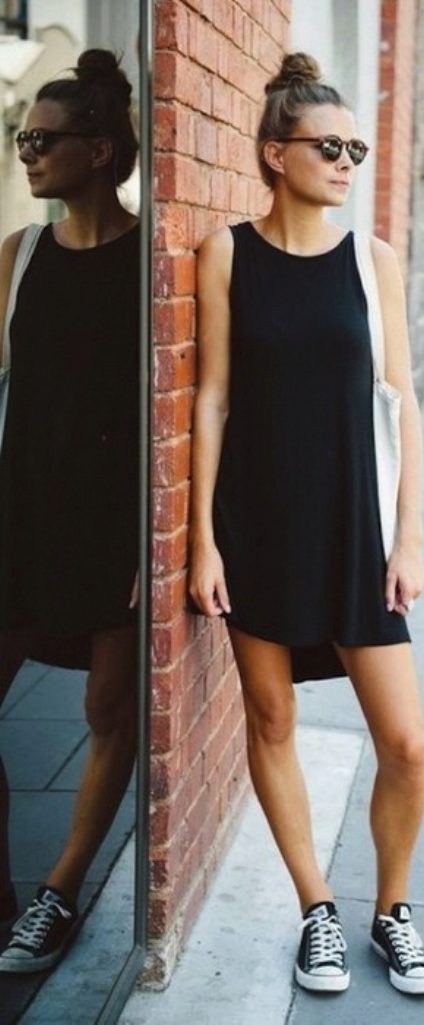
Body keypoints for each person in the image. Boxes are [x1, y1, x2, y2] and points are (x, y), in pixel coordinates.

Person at [189, 52, 424, 996]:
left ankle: (393, 912)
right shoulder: (226, 253)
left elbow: (401, 400)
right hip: (257, 521)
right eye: (329, 146)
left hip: (354, 526)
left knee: (407, 743)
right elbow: (212, 398)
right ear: (275, 154)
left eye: (355, 150)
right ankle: (317, 908)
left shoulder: (373, 262)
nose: (346, 162)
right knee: (272, 716)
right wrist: (202, 538)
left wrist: (410, 535)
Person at [0, 49, 140, 973]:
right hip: (19, 512)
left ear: (97, 150)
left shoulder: (152, 265)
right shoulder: (18, 256)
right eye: (21, 139)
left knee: (105, 708)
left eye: (41, 140)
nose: (26, 154)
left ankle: (59, 891)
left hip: (115, 525)